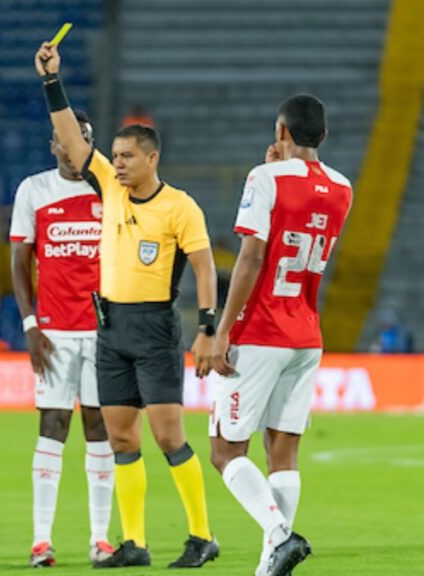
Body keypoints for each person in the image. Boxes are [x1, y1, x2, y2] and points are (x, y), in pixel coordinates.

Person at [35, 42, 220, 568]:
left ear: (152, 158)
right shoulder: (110, 192)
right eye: (113, 157)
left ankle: (202, 535)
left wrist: (207, 328)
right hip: (109, 327)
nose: (115, 164)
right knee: (120, 437)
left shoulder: (180, 206)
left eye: (126, 157)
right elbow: (71, 142)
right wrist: (52, 82)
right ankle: (134, 543)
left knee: (168, 436)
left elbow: (205, 267)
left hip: (156, 328)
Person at [209, 94, 352, 576]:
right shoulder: (342, 187)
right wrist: (280, 164)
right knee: (283, 451)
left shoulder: (263, 177)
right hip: (306, 334)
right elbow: (303, 205)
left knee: (225, 450)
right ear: (324, 137)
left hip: (260, 331)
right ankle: (273, 563)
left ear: (281, 132)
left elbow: (251, 256)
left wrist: (221, 330)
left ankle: (279, 535)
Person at [9, 110, 115, 567]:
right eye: (66, 142)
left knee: (100, 426)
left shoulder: (112, 187)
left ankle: (100, 538)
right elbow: (19, 262)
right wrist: (31, 325)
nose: (74, 150)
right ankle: (40, 540)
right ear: (53, 145)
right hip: (53, 329)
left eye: (83, 140)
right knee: (53, 425)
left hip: (103, 330)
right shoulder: (34, 190)